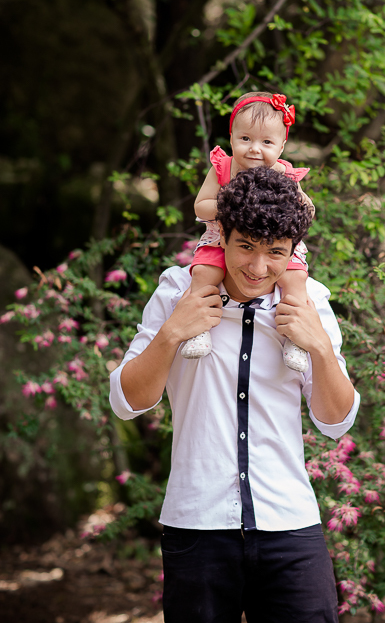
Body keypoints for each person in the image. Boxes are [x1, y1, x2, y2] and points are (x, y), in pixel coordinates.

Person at [109, 167, 360, 623]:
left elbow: (335, 420)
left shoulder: (310, 301)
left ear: (294, 252)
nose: (258, 268)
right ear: (221, 234)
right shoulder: (176, 292)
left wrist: (320, 347)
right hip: (197, 523)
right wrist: (171, 334)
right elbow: (128, 402)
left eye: (276, 253)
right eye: (245, 246)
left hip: (290, 525)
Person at [181, 91, 315, 373]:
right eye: (246, 139)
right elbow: (202, 205)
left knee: (296, 278)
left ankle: (295, 337)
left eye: (266, 142)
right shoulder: (223, 167)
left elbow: (306, 209)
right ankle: (198, 328)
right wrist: (232, 205)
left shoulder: (282, 172)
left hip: (272, 241)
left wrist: (296, 208)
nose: (255, 149)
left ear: (281, 147)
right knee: (204, 273)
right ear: (231, 138)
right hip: (223, 237)